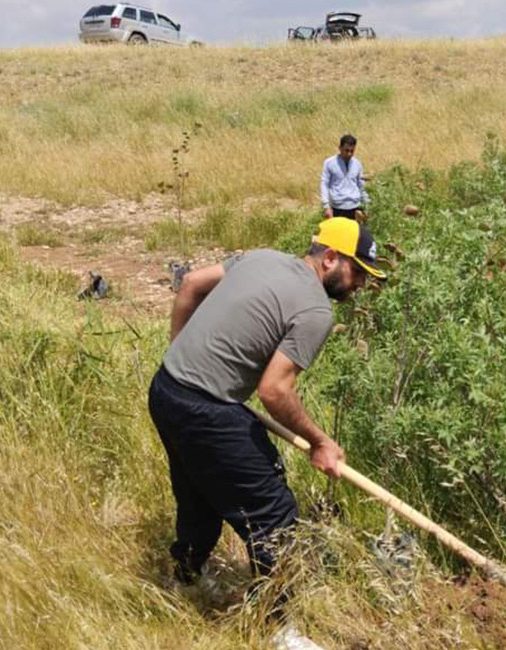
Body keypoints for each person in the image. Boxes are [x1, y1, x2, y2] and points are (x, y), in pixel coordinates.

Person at [147, 218, 386, 626]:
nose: (361, 284)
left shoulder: (262, 257)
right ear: (330, 258)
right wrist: (319, 442)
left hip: (167, 389)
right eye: (358, 271)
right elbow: (274, 391)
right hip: (207, 410)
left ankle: (186, 578)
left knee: (199, 492)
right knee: (275, 517)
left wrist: (181, 353)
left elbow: (189, 285)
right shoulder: (315, 310)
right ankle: (277, 628)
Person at [320, 134, 369, 220]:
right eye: (346, 150)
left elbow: (361, 186)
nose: (349, 154)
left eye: (352, 151)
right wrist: (326, 206)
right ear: (340, 148)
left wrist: (367, 205)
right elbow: (324, 184)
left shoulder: (357, 164)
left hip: (355, 208)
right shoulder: (329, 163)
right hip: (337, 208)